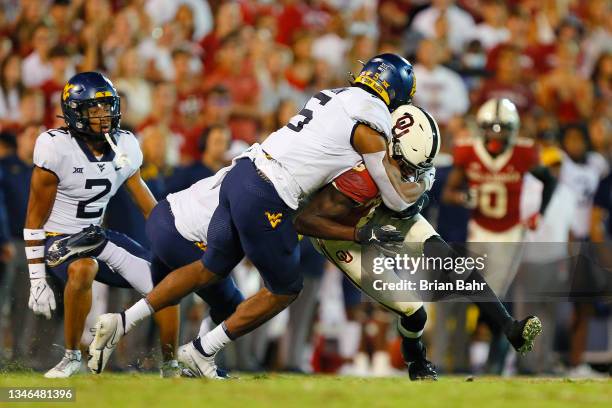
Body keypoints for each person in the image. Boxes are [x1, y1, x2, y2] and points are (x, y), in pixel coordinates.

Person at [88, 53, 433, 377]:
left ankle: (122, 320)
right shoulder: (371, 121)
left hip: (243, 173)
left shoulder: (333, 94)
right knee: (285, 288)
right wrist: (415, 196)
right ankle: (203, 350)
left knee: (212, 267)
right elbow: (392, 195)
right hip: (270, 193)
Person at [296, 105, 542, 380]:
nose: (412, 175)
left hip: (383, 212)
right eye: (408, 167)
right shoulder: (358, 175)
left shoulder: (411, 159)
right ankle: (416, 360)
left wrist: (412, 196)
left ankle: (510, 328)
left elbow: (411, 188)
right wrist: (359, 235)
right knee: (413, 311)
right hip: (345, 233)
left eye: (419, 169)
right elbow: (305, 221)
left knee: (452, 262)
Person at [23, 72, 178, 378]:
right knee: (83, 268)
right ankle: (71, 356)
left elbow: (148, 204)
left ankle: (172, 365)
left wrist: (176, 237)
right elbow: (33, 220)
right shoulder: (56, 148)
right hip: (58, 238)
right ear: (75, 112)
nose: (104, 115)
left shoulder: (125, 146)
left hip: (95, 236)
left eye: (107, 106)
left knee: (169, 282)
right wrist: (36, 277)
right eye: (94, 109)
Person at [442, 98, 556, 373]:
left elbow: (549, 180)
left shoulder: (524, 153)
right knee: (477, 293)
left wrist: (539, 212)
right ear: (481, 128)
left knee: (494, 293)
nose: (496, 134)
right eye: (490, 128)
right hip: (479, 229)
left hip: (509, 232)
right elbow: (448, 192)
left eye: (502, 128)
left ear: (513, 129)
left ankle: (498, 355)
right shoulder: (467, 151)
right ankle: (492, 348)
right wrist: (461, 196)